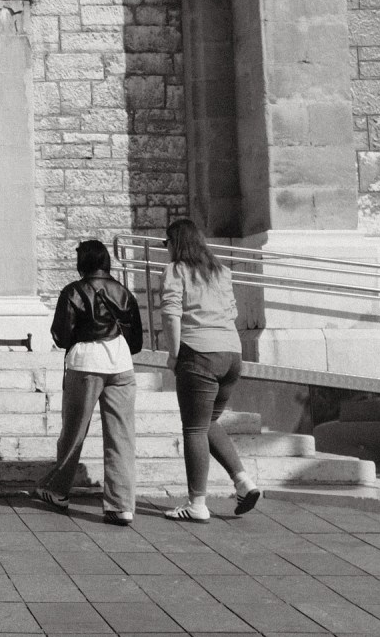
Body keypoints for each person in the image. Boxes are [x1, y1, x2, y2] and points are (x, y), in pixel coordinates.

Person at [34, 239, 144, 525]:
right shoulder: (124, 292)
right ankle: (121, 505)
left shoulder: (73, 291)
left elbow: (61, 335)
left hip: (86, 363)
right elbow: (136, 340)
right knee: (121, 436)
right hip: (121, 362)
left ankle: (58, 490)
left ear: (82, 262)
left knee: (74, 431)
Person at [162, 218, 259, 522]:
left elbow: (171, 314)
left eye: (167, 242)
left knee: (194, 428)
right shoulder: (221, 271)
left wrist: (174, 355)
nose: (166, 248)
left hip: (199, 353)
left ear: (176, 243)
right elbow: (233, 312)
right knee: (208, 421)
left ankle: (197, 504)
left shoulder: (176, 270)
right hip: (231, 355)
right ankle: (243, 481)